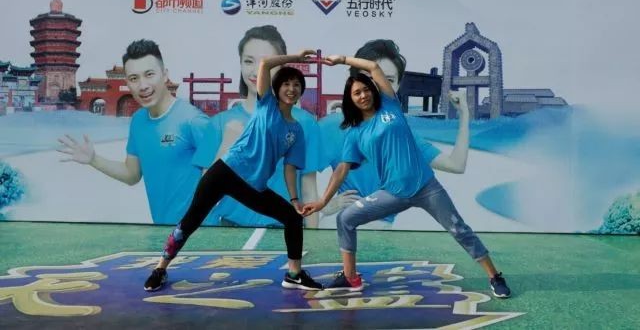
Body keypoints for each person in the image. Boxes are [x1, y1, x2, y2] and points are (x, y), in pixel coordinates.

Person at [303, 52, 512, 298]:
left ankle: (494, 275)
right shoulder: (354, 132)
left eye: (366, 89)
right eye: (356, 93)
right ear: (350, 99)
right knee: (345, 218)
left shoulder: (390, 105)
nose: (363, 95)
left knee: (459, 229)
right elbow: (341, 170)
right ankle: (350, 277)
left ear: (373, 90)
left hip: (426, 187)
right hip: (392, 193)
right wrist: (323, 201)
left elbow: (373, 67)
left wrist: (342, 60)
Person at [143, 50, 323, 292]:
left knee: (292, 218)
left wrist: (294, 200)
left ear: (301, 91)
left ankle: (294, 274)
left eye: (297, 85)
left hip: (253, 185)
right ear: (277, 88)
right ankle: (160, 268)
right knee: (191, 220)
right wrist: (296, 58)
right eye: (286, 84)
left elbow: (290, 168)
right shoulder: (266, 105)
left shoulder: (297, 130)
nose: (291, 89)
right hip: (225, 172)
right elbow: (265, 63)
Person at [57, 39, 216, 224]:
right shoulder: (139, 121)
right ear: (127, 82)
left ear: (165, 75)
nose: (143, 85)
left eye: (149, 74)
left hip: (201, 233)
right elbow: (131, 175)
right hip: (163, 229)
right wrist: (94, 159)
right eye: (134, 78)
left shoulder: (193, 120)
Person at [210, 25, 325, 228]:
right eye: (248, 61)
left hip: (281, 227)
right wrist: (227, 144)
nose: (256, 70)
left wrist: (312, 235)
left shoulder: (305, 123)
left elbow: (308, 188)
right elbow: (208, 187)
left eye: (267, 62)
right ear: (240, 63)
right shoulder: (220, 122)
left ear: (281, 66)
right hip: (229, 229)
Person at [319, 39, 411, 228]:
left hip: (383, 229)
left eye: (388, 80)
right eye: (368, 78)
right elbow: (302, 179)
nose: (376, 87)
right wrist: (325, 207)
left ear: (398, 85)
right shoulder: (331, 127)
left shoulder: (400, 130)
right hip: (339, 224)